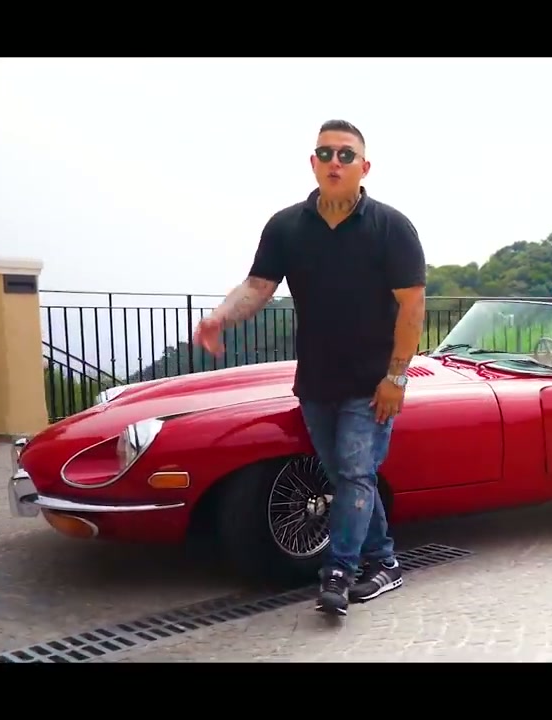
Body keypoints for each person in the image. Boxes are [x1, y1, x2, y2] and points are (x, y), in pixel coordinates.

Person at [192, 119, 427, 617]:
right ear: (312, 163)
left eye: (345, 154)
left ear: (365, 167)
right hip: (317, 381)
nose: (334, 162)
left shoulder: (392, 227)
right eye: (325, 153)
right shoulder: (286, 227)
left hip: (372, 383)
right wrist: (219, 317)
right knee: (346, 477)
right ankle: (385, 561)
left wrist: (396, 377)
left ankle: (337, 573)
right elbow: (257, 286)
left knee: (356, 473)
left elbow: (412, 307)